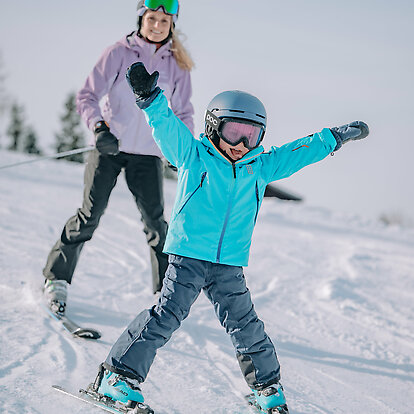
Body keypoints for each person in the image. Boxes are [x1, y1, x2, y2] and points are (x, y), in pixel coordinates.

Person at [85, 62, 369, 413]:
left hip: (229, 264)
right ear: (213, 126)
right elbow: (166, 126)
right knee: (167, 315)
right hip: (188, 255)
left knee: (246, 326)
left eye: (251, 135)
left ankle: (266, 390)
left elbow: (300, 151)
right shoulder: (193, 155)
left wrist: (334, 137)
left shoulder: (260, 166)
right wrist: (150, 98)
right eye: (234, 131)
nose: (241, 143)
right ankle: (118, 377)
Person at [42, 0, 194, 315]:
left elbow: (183, 113)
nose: (157, 26)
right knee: (90, 215)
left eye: (164, 22)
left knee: (156, 225)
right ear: (141, 19)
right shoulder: (118, 53)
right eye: (152, 19)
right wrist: (99, 129)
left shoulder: (177, 65)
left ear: (172, 26)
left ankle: (165, 295)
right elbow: (87, 95)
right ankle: (57, 278)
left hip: (148, 154)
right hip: (110, 149)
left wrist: (179, 149)